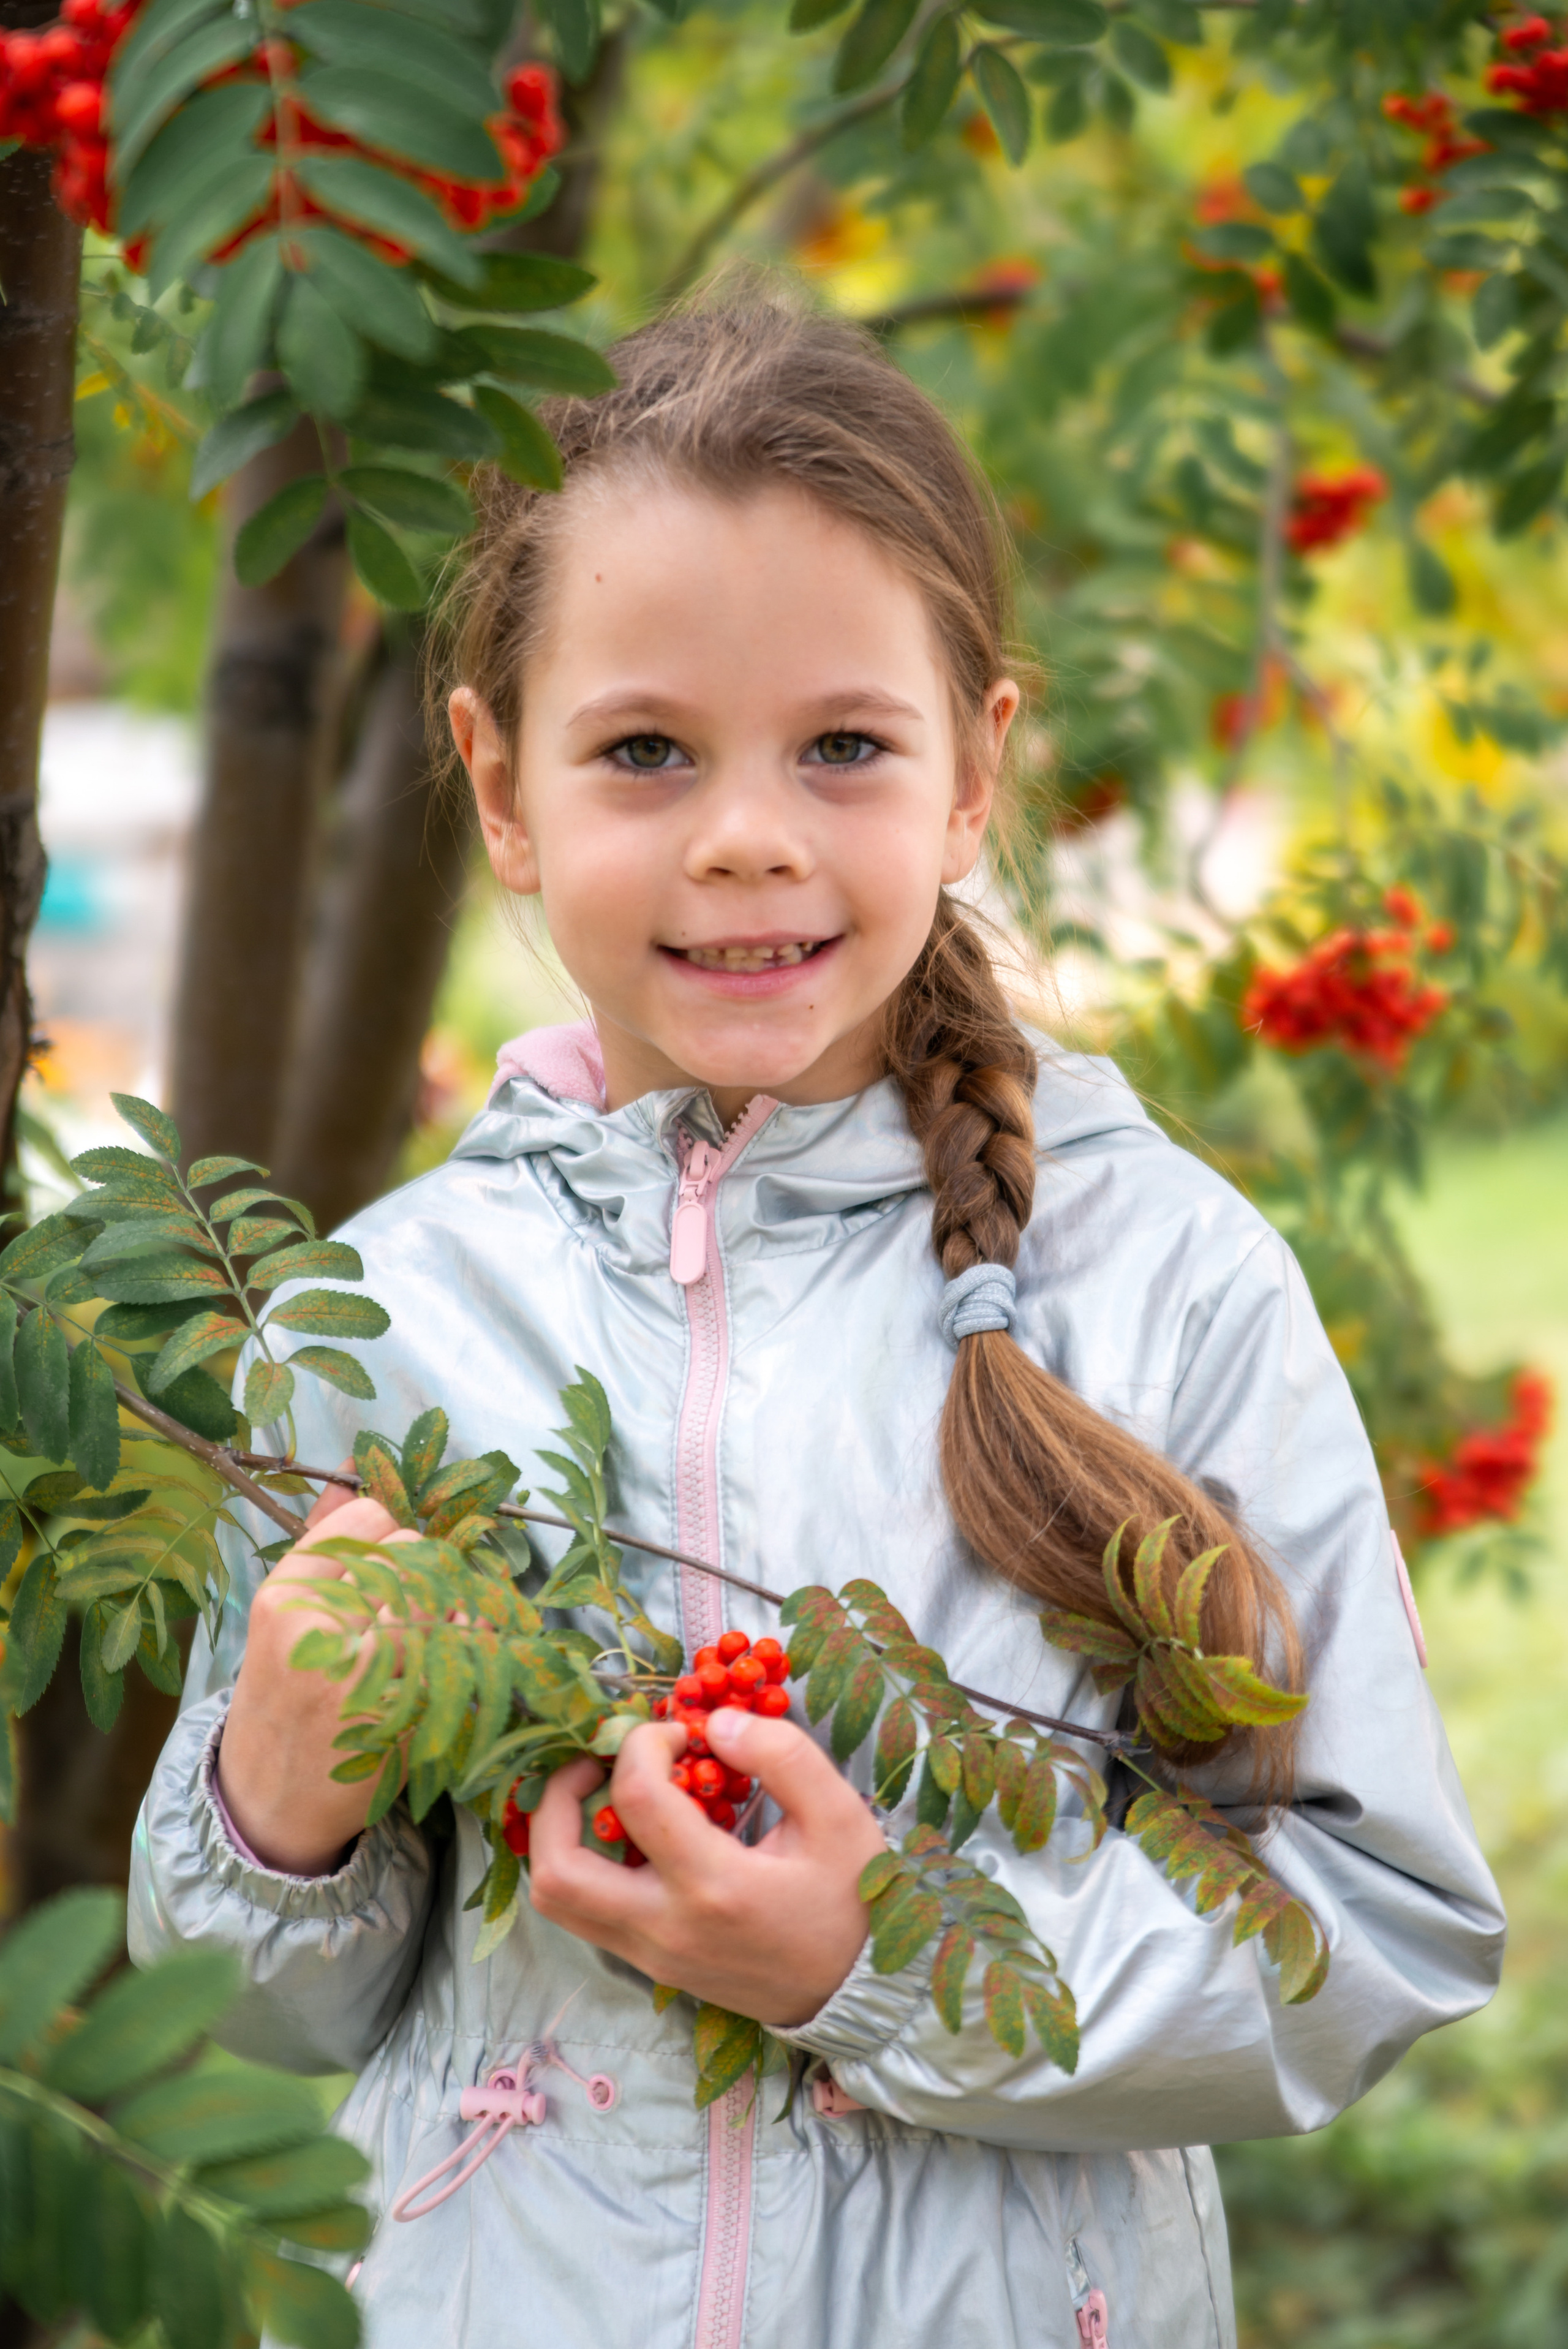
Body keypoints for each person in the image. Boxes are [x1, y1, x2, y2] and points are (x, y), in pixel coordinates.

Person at [129, 297, 1504, 2349]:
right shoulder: (379, 1313)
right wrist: (278, 1796)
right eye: (647, 750)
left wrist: (879, 1962)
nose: (748, 831)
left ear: (976, 774)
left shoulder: (1171, 1281)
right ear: (501, 786)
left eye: (843, 746)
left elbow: (1375, 1921)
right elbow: (255, 1998)